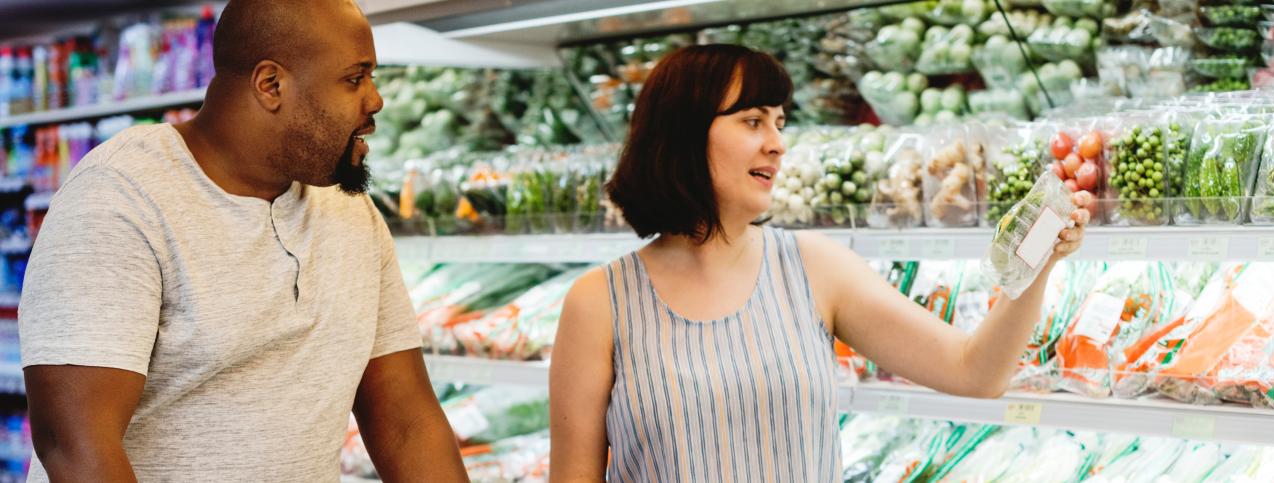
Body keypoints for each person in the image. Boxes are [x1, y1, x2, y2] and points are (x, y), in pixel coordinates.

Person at [549, 44, 1091, 481]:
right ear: (685, 132)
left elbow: (976, 372)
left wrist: (1037, 257)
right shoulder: (601, 302)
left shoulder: (812, 268)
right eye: (753, 121)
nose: (778, 144)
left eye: (780, 122)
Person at [19, 1, 467, 481]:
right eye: (354, 79)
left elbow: (406, 422)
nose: (375, 100)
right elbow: (74, 445)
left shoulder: (350, 211)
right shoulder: (120, 199)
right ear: (271, 84)